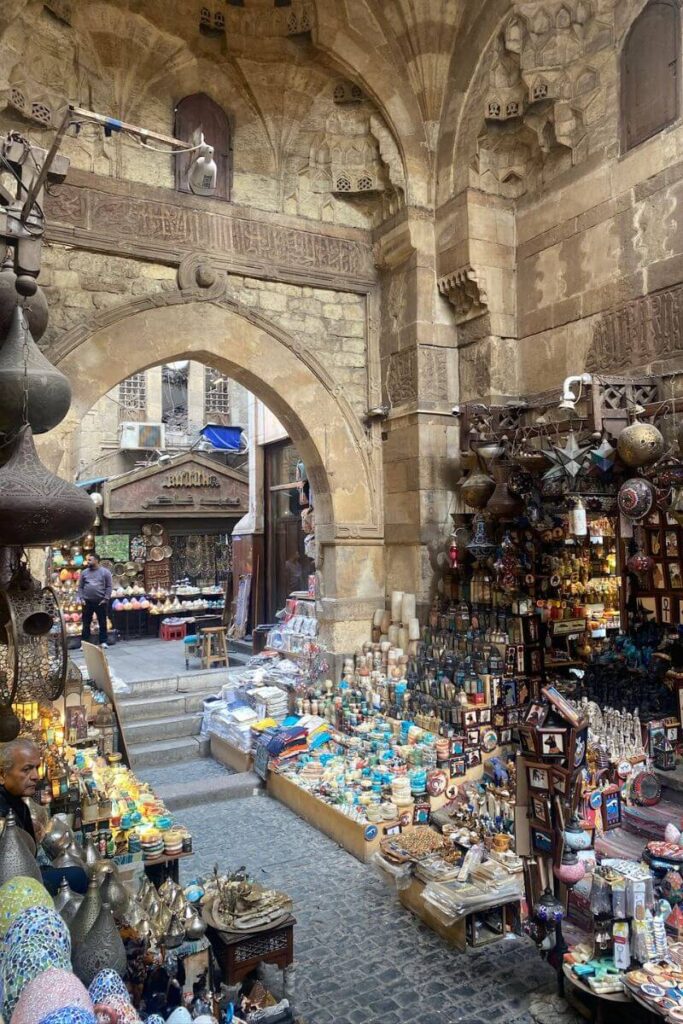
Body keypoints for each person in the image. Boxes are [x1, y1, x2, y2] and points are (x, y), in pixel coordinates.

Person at [0, 738, 40, 842]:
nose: (36, 776)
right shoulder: (3, 818)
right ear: (2, 775)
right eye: (26, 769)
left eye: (37, 768)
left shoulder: (14, 801)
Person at [78, 552, 113, 647]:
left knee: (102, 622)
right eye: (88, 560)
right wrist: (81, 598)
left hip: (101, 601)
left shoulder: (105, 572)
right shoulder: (84, 572)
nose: (88, 561)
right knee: (86, 623)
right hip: (87, 602)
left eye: (90, 560)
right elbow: (80, 587)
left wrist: (105, 598)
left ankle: (103, 642)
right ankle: (85, 643)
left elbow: (109, 586)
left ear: (96, 561)